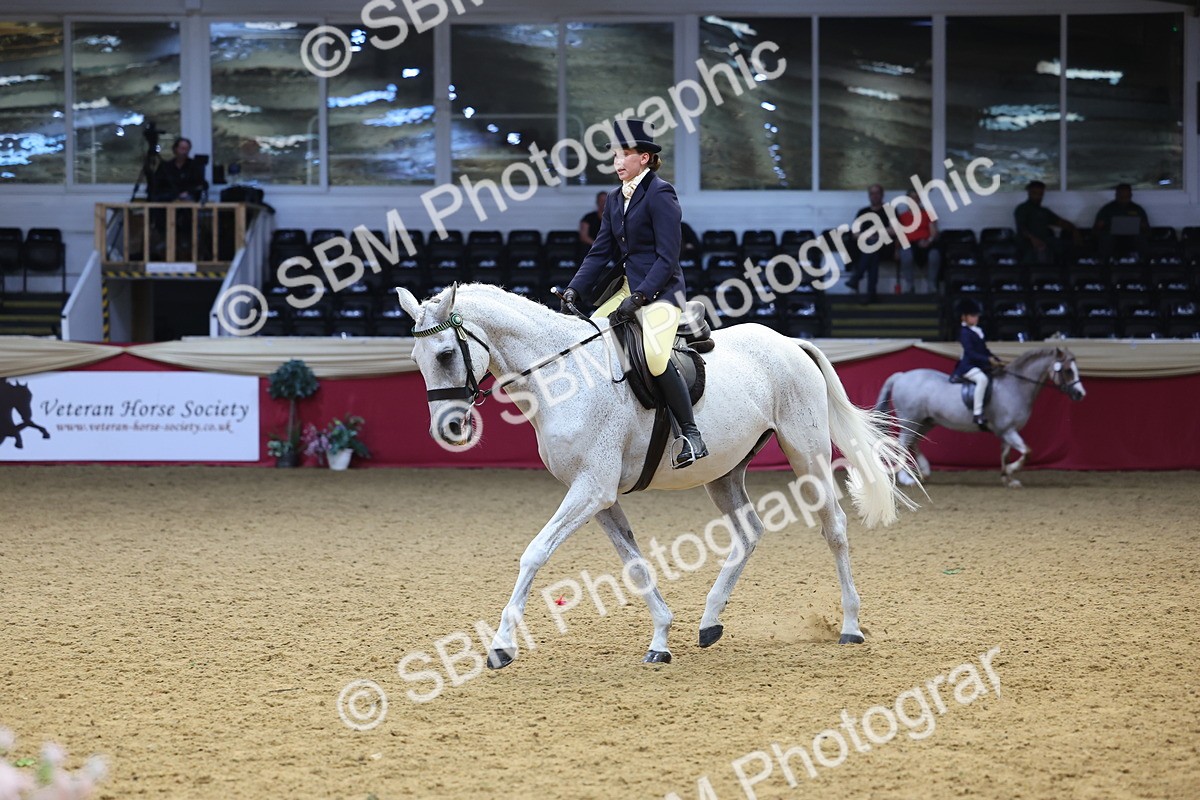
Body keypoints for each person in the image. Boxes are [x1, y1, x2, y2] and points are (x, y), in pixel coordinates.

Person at [560, 119, 707, 469]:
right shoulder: (614, 199)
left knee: (655, 357)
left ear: (644, 158)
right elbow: (599, 252)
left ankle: (690, 433)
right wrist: (574, 288)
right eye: (614, 155)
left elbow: (668, 256)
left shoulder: (660, 193)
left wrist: (641, 296)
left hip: (662, 292)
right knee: (588, 339)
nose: (617, 162)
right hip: (627, 287)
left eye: (624, 155)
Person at [952, 298, 1005, 430]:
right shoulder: (964, 333)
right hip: (968, 366)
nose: (975, 318)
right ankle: (977, 413)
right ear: (964, 317)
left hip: (978, 364)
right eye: (972, 316)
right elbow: (970, 353)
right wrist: (987, 360)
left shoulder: (977, 331)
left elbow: (984, 350)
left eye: (976, 316)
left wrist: (995, 359)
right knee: (982, 380)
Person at [1014, 180, 1078, 265]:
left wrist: (1074, 230)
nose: (1037, 196)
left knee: (1069, 247)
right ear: (1029, 192)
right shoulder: (1022, 209)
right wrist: (1033, 239)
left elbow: (1060, 222)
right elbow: (1022, 228)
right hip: (1028, 243)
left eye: (1040, 194)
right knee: (1040, 250)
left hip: (1046, 240)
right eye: (1034, 193)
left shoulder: (1043, 211)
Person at [846, 183, 891, 304]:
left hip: (885, 246)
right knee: (872, 254)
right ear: (869, 196)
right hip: (865, 246)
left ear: (882, 195)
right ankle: (871, 294)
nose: (875, 196)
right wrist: (868, 236)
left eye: (877, 193)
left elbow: (894, 230)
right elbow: (854, 234)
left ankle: (856, 278)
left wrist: (877, 233)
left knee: (872, 246)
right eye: (872, 193)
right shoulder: (863, 212)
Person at [896, 188, 941, 293]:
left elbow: (934, 232)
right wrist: (896, 250)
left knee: (934, 255)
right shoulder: (902, 216)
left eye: (917, 198)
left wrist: (928, 241)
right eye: (912, 198)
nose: (914, 200)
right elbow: (900, 235)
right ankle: (909, 285)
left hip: (926, 242)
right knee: (906, 255)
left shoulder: (928, 213)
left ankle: (931, 284)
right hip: (909, 244)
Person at [1094, 183, 1150, 262]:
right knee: (1106, 238)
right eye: (1121, 197)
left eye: (1126, 197)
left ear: (1130, 195)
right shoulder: (1107, 209)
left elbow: (1147, 228)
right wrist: (1101, 227)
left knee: (1141, 238)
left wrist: (1141, 226)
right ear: (1116, 195)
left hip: (1132, 237)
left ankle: (1144, 264)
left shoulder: (1137, 209)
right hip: (1112, 238)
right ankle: (1104, 264)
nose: (1124, 199)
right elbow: (1097, 228)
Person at [151, 137, 208, 202]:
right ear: (175, 149)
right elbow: (157, 186)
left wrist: (189, 192)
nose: (184, 152)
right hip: (168, 203)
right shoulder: (165, 167)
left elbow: (201, 185)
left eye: (187, 149)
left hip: (188, 204)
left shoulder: (194, 166)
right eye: (182, 149)